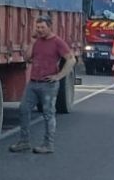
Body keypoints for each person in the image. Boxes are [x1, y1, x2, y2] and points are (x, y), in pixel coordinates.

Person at [9, 15, 76, 154]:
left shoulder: (57, 42)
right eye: (38, 27)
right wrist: (33, 41)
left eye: (42, 27)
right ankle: (24, 141)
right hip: (33, 82)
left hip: (48, 84)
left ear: (50, 27)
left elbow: (71, 59)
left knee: (48, 114)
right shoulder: (37, 41)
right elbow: (27, 57)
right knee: (23, 109)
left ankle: (48, 144)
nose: (39, 30)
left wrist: (59, 76)